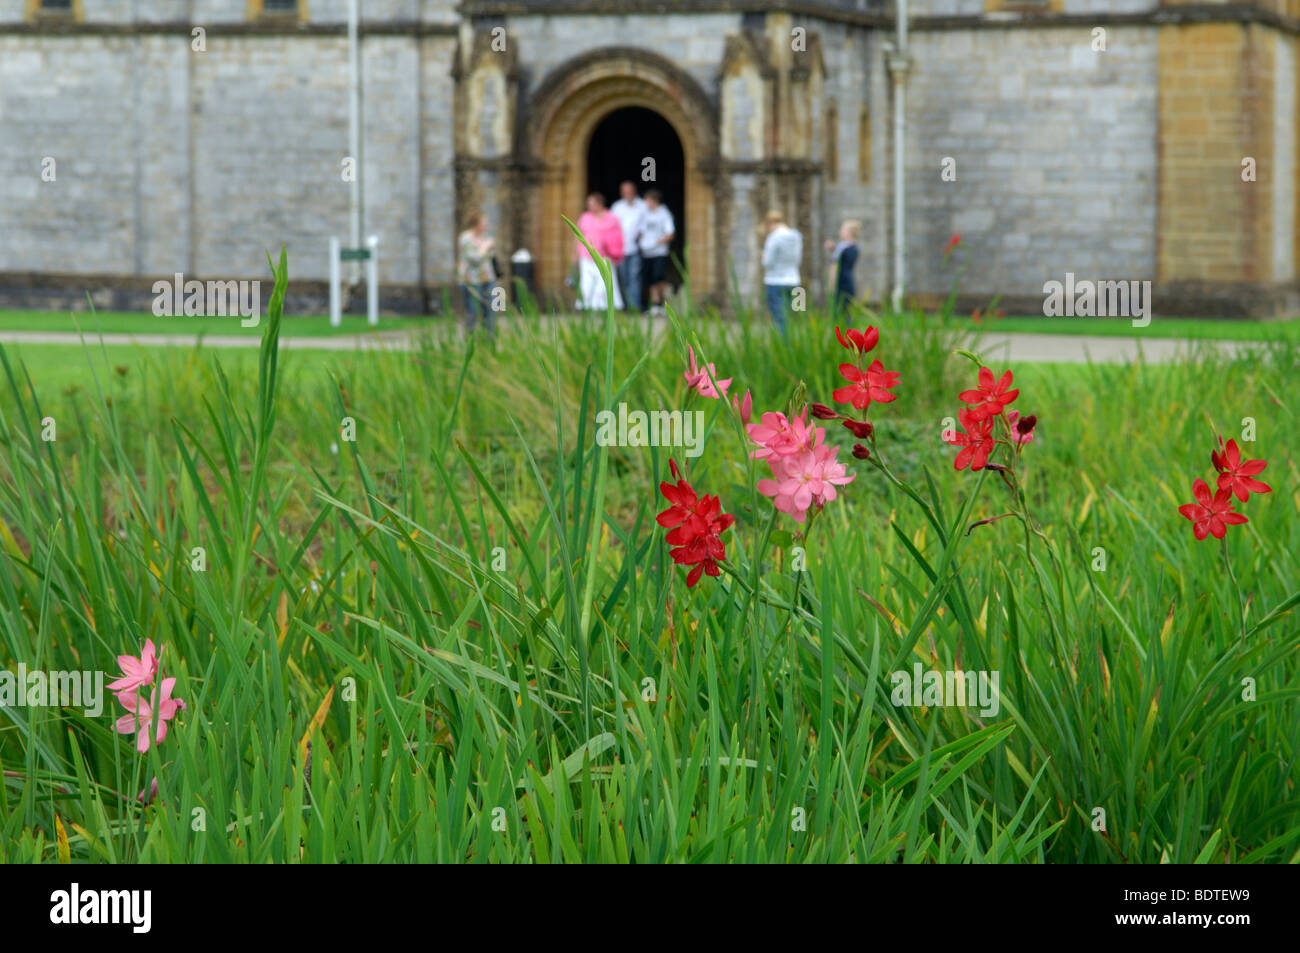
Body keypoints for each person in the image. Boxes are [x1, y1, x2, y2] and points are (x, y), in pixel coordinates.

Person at [574, 191, 625, 311]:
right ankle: (587, 306)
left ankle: (605, 307)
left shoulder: (611, 218)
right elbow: (577, 236)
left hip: (605, 255)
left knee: (604, 281)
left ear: (599, 203)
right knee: (587, 281)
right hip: (586, 255)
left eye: (591, 203)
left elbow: (618, 237)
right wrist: (575, 254)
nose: (589, 206)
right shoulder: (585, 217)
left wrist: (616, 252)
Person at [762, 210, 802, 334]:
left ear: (770, 223)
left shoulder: (773, 237)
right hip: (795, 281)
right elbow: (798, 259)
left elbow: (767, 262)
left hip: (775, 282)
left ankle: (784, 348)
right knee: (798, 316)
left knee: (779, 318)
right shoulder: (797, 236)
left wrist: (763, 256)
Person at [457, 210, 496, 333]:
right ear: (476, 224)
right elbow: (475, 259)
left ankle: (490, 341)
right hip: (471, 281)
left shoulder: (485, 238)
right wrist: (485, 247)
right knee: (473, 311)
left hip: (488, 279)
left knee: (491, 309)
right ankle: (470, 340)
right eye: (484, 223)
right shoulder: (465, 238)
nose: (486, 226)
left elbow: (490, 258)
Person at [610, 181, 646, 312]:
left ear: (634, 191)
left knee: (635, 277)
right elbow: (612, 227)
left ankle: (635, 306)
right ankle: (625, 305)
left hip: (636, 248)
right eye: (624, 191)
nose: (627, 193)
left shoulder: (642, 205)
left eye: (629, 190)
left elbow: (646, 225)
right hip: (620, 249)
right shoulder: (617, 207)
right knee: (624, 278)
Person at [639, 189, 675, 316]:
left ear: (654, 201)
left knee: (658, 277)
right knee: (650, 279)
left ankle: (663, 301)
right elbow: (642, 231)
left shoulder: (664, 214)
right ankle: (655, 304)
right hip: (647, 252)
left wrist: (656, 242)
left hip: (659, 251)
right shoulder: (645, 214)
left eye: (647, 200)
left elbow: (670, 234)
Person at [824, 219, 860, 318]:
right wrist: (833, 249)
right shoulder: (855, 247)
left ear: (849, 233)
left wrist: (831, 285)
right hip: (849, 281)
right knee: (848, 310)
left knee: (837, 311)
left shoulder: (841, 247)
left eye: (842, 230)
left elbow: (834, 267)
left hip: (840, 283)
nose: (840, 232)